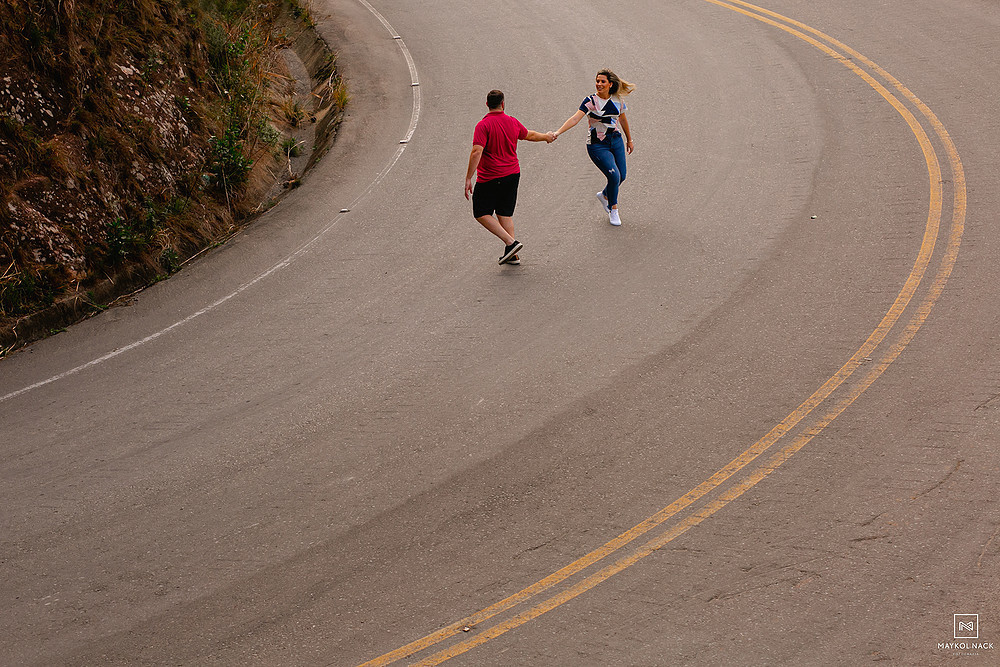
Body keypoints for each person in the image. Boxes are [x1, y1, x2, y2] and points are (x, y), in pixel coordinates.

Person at [465, 89, 555, 265]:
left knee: (481, 212)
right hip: (512, 174)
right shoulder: (512, 122)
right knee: (504, 213)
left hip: (490, 177)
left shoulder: (483, 126)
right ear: (503, 104)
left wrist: (469, 177)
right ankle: (512, 254)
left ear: (487, 104)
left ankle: (510, 242)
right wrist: (546, 137)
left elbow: (477, 151)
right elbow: (529, 135)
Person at [552, 69, 635, 226]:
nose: (599, 84)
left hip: (616, 141)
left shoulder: (618, 100)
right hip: (597, 145)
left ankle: (604, 195)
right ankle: (613, 208)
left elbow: (623, 119)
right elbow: (575, 118)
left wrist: (629, 140)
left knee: (622, 176)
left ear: (610, 84)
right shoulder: (590, 101)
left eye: (603, 81)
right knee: (614, 176)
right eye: (597, 81)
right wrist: (558, 132)